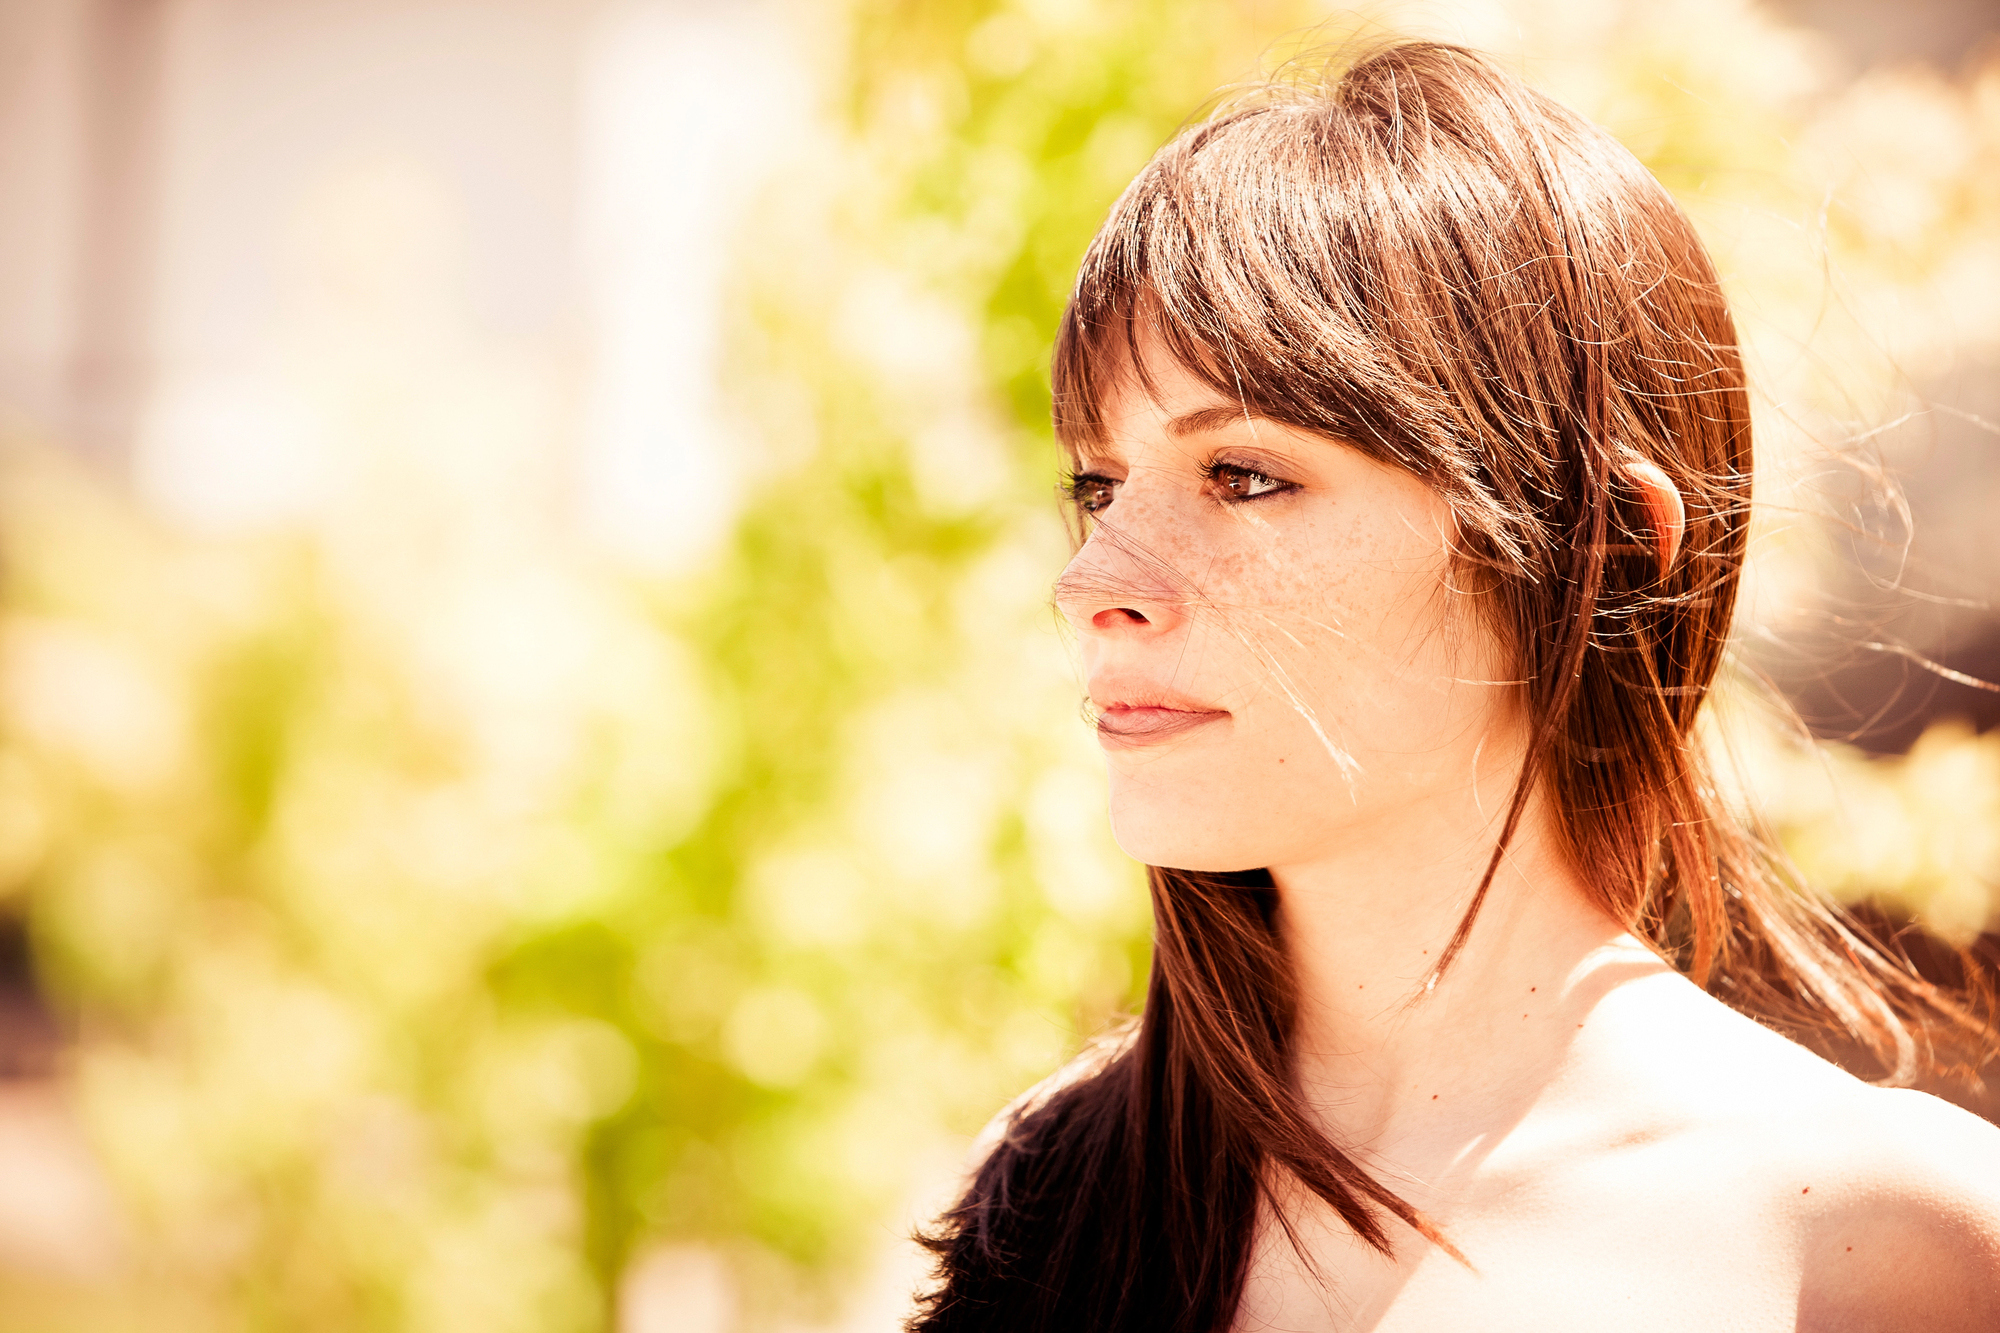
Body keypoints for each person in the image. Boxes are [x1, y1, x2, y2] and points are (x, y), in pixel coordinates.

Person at [907, 40, 2000, 1332]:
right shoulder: (1058, 1192)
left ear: (1595, 552)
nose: (1094, 577)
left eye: (1244, 474)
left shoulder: (1893, 1243)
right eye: (1099, 484)